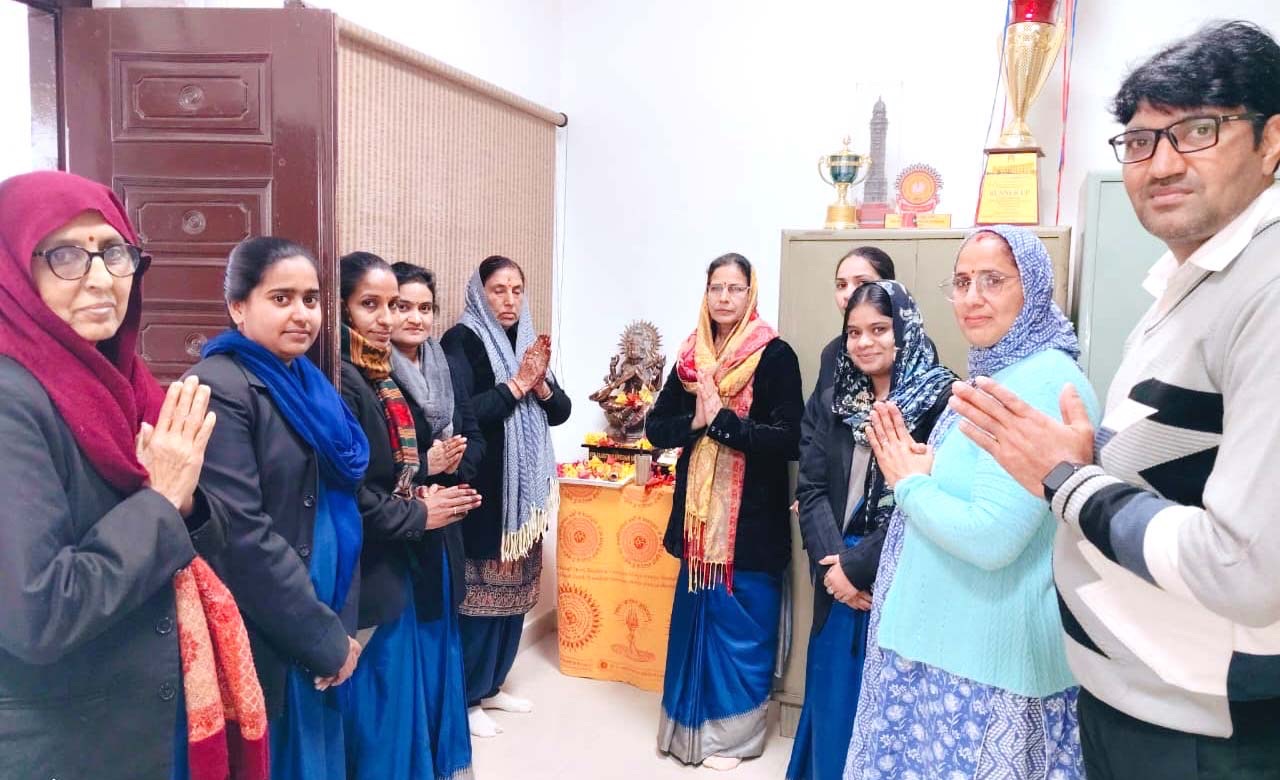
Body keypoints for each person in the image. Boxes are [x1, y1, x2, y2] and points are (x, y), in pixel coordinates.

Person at [946, 21, 1280, 779]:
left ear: (1271, 142)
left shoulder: (1267, 289)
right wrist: (1089, 461)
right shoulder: (1190, 284)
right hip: (1137, 697)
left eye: (1198, 130)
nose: (1161, 163)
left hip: (1203, 727)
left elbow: (1247, 567)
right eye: (1139, 140)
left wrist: (1068, 479)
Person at [0, 171, 266, 780]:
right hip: (62, 742)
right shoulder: (12, 400)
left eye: (114, 252)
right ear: (13, 268)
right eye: (66, 254)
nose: (101, 278)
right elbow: (40, 613)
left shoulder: (120, 382)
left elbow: (199, 535)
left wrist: (185, 502)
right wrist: (163, 500)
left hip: (138, 717)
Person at [845, 226, 1099, 780]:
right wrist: (932, 467)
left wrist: (908, 483)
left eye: (993, 280)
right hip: (949, 650)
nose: (972, 297)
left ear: (1034, 288)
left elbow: (992, 537)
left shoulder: (1042, 383)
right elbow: (991, 484)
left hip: (981, 667)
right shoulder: (1002, 371)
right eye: (961, 282)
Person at [190, 237, 369, 780]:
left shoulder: (307, 382)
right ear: (238, 307)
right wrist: (322, 638)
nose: (302, 314)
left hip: (323, 607)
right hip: (275, 623)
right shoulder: (221, 385)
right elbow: (241, 537)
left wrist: (338, 627)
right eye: (281, 298)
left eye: (311, 299)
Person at [786, 280, 955, 780]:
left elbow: (929, 498)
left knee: (890, 717)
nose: (864, 342)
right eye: (854, 332)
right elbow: (812, 488)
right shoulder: (836, 398)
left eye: (879, 329)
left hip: (901, 571)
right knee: (834, 705)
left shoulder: (942, 400)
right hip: (837, 576)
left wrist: (858, 568)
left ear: (905, 330)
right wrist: (834, 568)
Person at [646, 252, 803, 771]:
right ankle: (686, 731)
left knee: (743, 632)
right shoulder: (690, 358)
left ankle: (734, 739)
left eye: (735, 288)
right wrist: (696, 419)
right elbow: (656, 428)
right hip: (699, 529)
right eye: (717, 287)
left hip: (750, 526)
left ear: (750, 293)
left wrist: (725, 425)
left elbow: (790, 438)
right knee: (696, 626)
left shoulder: (774, 355)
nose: (724, 298)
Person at [336, 251, 482, 779]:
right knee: (383, 699)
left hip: (419, 533)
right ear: (342, 309)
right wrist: (421, 491)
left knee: (413, 680)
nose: (392, 318)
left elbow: (465, 434)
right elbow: (356, 486)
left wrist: (438, 473)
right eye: (373, 305)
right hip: (383, 548)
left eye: (398, 305)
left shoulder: (385, 373)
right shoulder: (347, 378)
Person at [441, 255, 571, 738]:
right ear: (480, 293)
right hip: (486, 491)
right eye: (499, 290)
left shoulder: (527, 339)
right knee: (479, 602)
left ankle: (494, 684)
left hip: (525, 497)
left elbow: (560, 409)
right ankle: (468, 697)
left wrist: (540, 386)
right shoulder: (462, 340)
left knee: (515, 597)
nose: (510, 300)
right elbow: (464, 413)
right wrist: (518, 384)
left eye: (517, 290)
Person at [390, 260, 486, 777]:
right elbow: (376, 463)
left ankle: (441, 757)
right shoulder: (375, 372)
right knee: (408, 651)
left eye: (425, 308)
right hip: (402, 525)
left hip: (444, 517)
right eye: (402, 306)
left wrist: (453, 469)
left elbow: (471, 431)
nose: (415, 318)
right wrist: (425, 468)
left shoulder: (444, 362)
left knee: (441, 636)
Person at [813, 247, 897, 395]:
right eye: (841, 285)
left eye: (862, 282)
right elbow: (818, 408)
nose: (848, 294)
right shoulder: (833, 351)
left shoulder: (913, 346)